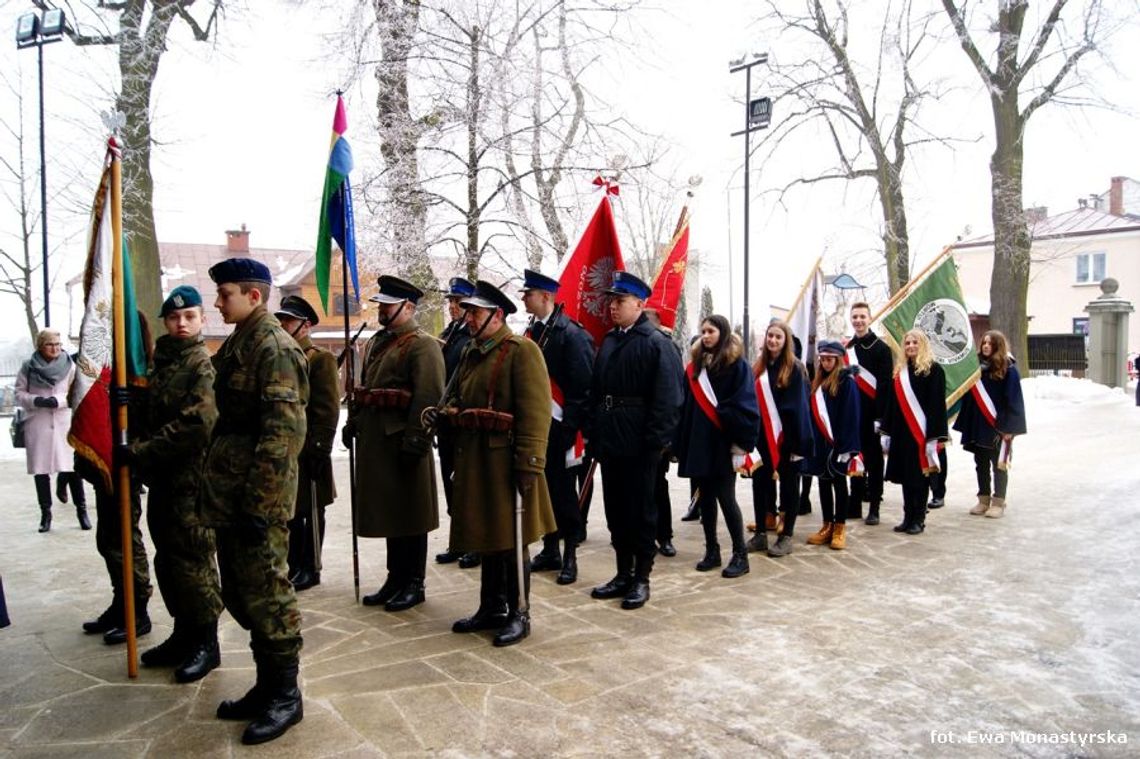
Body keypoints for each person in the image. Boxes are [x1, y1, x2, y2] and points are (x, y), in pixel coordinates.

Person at [201, 257, 308, 745]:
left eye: (225, 294)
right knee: (244, 594)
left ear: (254, 296)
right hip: (233, 491)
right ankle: (267, 686)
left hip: (257, 497)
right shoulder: (242, 343)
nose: (218, 302)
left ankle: (287, 695)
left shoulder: (274, 347)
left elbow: (283, 435)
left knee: (269, 595)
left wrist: (260, 506)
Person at [434, 280, 556, 646]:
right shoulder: (473, 351)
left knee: (511, 540)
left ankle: (519, 611)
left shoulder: (522, 351)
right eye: (467, 311)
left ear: (497, 316)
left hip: (507, 461)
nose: (468, 318)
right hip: (476, 458)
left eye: (475, 312)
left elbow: (536, 412)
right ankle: (491, 606)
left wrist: (530, 463)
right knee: (487, 536)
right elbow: (456, 396)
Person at [127, 285, 223, 682]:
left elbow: (196, 425)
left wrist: (142, 451)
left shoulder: (201, 364)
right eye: (173, 318)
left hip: (192, 482)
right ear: (165, 322)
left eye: (190, 317)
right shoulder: (161, 362)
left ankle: (206, 641)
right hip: (165, 480)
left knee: (194, 561)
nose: (181, 323)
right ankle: (183, 632)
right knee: (167, 560)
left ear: (202, 320)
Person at [586, 271, 683, 610]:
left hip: (640, 445)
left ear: (640, 304)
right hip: (611, 441)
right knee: (616, 510)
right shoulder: (611, 341)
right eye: (611, 301)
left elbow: (668, 399)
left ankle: (642, 577)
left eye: (620, 301)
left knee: (641, 511)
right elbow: (598, 393)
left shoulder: (657, 343)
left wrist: (655, 444)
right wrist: (595, 435)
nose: (613, 306)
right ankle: (622, 572)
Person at [347, 276, 444, 611]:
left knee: (411, 515)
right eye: (382, 304)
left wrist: (417, 440)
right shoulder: (377, 342)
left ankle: (413, 582)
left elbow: (429, 396)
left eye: (388, 305)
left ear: (408, 307)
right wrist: (353, 422)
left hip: (404, 441)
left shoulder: (422, 344)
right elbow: (366, 388)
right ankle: (395, 578)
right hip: (378, 443)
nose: (382, 310)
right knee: (391, 513)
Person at [520, 269, 595, 585]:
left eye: (529, 294)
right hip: (538, 426)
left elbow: (582, 388)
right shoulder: (533, 331)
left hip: (562, 427)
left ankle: (570, 557)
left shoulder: (571, 334)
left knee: (564, 495)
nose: (524, 298)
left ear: (546, 297)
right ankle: (550, 549)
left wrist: (570, 430)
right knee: (543, 492)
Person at [673, 315, 760, 577]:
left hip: (722, 442)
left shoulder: (737, 365)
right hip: (700, 442)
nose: (705, 336)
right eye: (702, 332)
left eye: (710, 331)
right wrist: (681, 441)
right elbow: (686, 405)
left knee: (726, 498)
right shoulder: (696, 366)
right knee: (705, 500)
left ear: (722, 333)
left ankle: (740, 556)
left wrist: (738, 440)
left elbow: (746, 403)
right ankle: (712, 550)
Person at [276, 295, 339, 592]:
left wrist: (319, 448)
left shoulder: (319, 359)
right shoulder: (280, 356)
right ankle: (292, 564)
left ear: (305, 325)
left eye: (288, 320)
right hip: (286, 450)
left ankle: (310, 566)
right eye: (282, 319)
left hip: (309, 449)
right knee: (289, 512)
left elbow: (327, 409)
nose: (283, 324)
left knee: (310, 510)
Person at [749, 320, 812, 557]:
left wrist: (797, 443)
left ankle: (786, 537)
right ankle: (761, 535)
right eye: (770, 336)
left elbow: (799, 408)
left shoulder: (795, 368)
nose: (773, 340)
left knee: (789, 486)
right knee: (760, 484)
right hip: (762, 438)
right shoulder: (759, 367)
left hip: (787, 439)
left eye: (778, 337)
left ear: (785, 341)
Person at [15, 329, 88, 533]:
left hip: (64, 421)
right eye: (50, 344)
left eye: (57, 344)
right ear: (40, 346)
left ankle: (81, 511)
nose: (55, 348)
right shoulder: (28, 367)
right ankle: (45, 514)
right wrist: (35, 400)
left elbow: (77, 391)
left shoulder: (70, 365)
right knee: (41, 471)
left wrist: (59, 401)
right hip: (37, 422)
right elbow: (19, 393)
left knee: (72, 468)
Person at [953, 329, 1027, 519]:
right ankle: (983, 499)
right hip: (978, 425)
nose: (985, 346)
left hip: (998, 427)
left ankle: (999, 501)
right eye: (984, 342)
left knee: (999, 465)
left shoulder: (1008, 369)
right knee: (981, 463)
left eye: (990, 343)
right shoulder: (977, 368)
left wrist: (1010, 429)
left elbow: (1014, 400)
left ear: (998, 346)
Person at [881, 329, 948, 535]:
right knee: (905, 477)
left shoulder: (934, 370)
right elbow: (891, 404)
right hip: (901, 433)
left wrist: (934, 437)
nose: (910, 346)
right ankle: (907, 516)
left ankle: (918, 518)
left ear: (923, 345)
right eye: (907, 343)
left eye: (915, 342)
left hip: (921, 434)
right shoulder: (900, 371)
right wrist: (886, 431)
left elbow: (937, 406)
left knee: (919, 478)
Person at [434, 277, 480, 570]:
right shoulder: (449, 333)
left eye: (458, 303)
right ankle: (457, 538)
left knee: (465, 484)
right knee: (449, 481)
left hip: (461, 419)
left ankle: (474, 542)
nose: (452, 307)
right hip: (445, 420)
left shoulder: (471, 337)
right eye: (450, 302)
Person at [803, 341, 861, 550]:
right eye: (823, 359)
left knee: (839, 483)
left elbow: (851, 416)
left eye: (830, 359)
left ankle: (840, 527)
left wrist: (847, 448)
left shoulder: (847, 382)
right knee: (824, 483)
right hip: (822, 443)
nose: (826, 363)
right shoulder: (818, 382)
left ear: (838, 360)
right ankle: (826, 525)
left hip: (838, 444)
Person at [845, 302, 894, 525]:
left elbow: (884, 386)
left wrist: (880, 417)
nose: (858, 321)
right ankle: (854, 503)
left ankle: (874, 506)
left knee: (874, 461)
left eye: (862, 317)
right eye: (855, 317)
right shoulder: (847, 349)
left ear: (870, 318)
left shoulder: (881, 349)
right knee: (854, 456)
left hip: (873, 414)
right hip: (852, 413)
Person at [644, 308, 683, 557]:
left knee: (658, 486)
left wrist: (668, 437)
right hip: (637, 430)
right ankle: (645, 535)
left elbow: (673, 394)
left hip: (658, 432)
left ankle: (664, 535)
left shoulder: (667, 348)